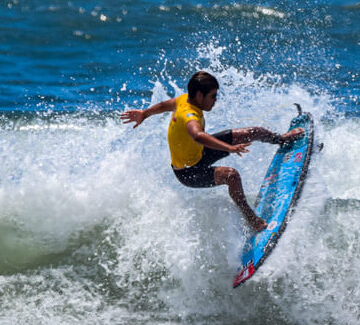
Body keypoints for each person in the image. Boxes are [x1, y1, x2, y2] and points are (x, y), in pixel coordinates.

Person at [121, 71, 303, 234]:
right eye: (213, 96)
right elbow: (198, 135)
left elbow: (164, 105)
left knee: (252, 132)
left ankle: (281, 139)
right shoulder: (190, 116)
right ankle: (251, 220)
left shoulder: (183, 99)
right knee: (232, 176)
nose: (215, 100)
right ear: (199, 95)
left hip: (199, 154)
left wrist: (145, 113)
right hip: (188, 172)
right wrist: (229, 148)